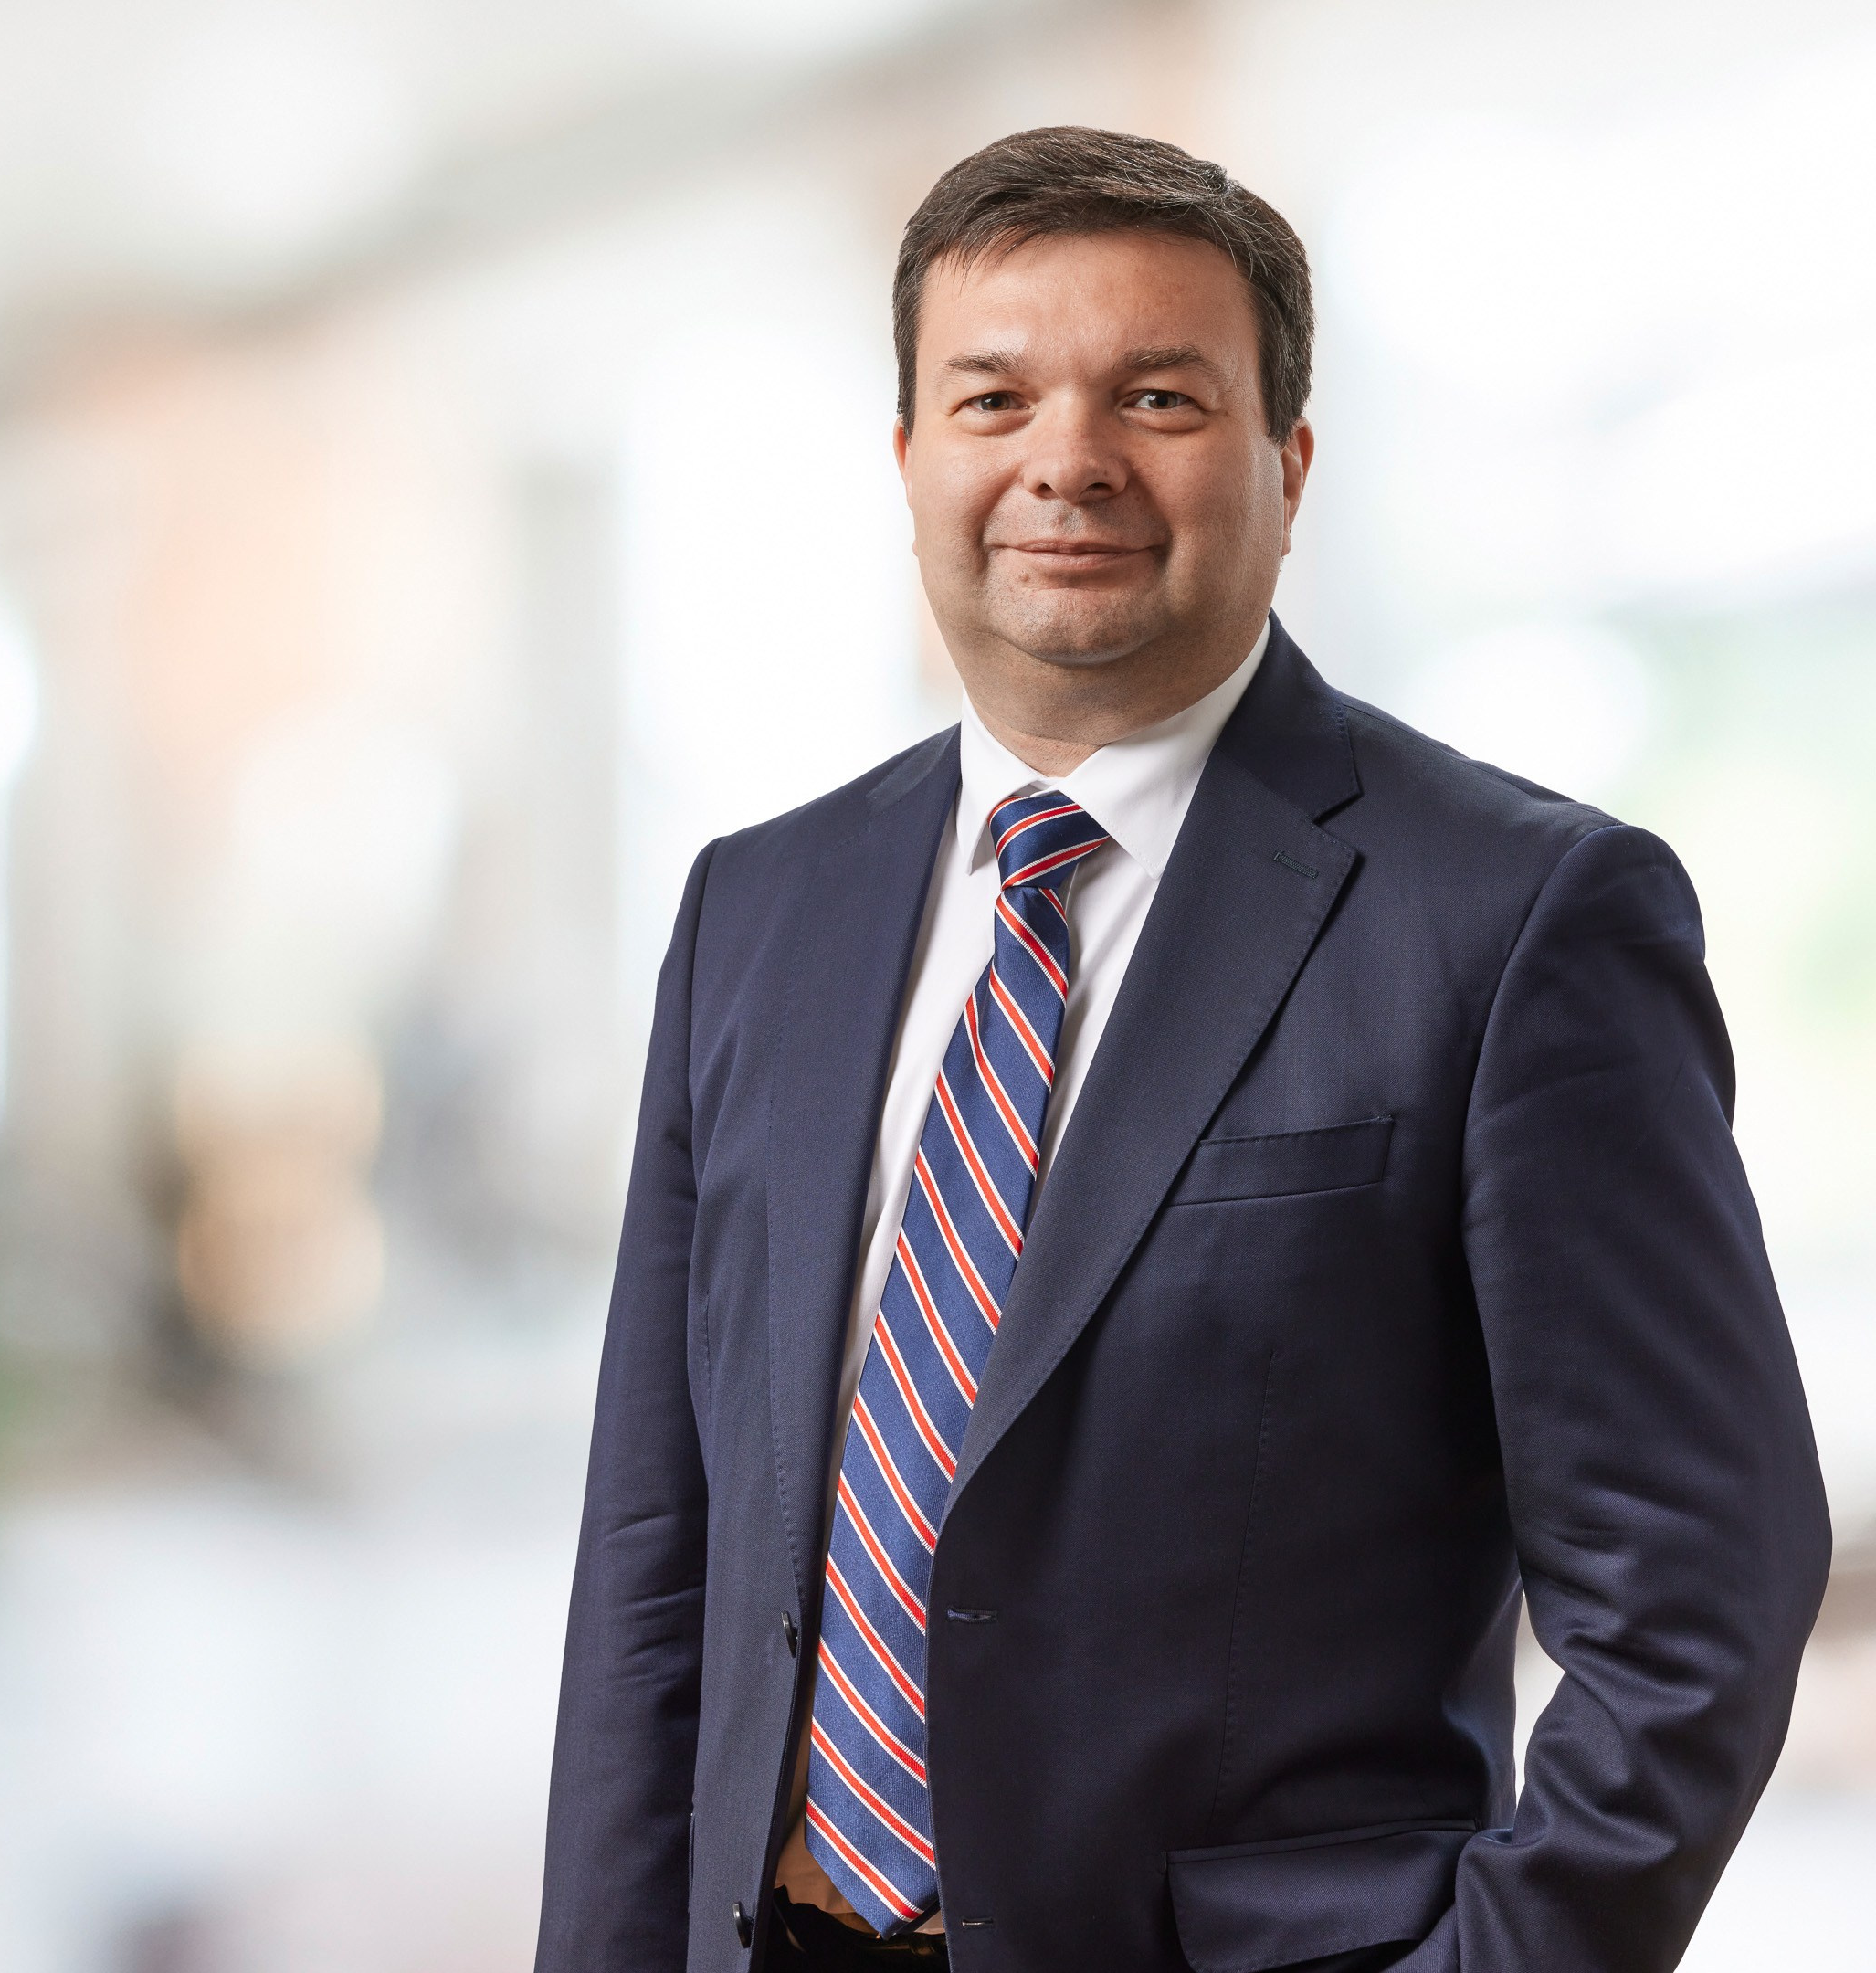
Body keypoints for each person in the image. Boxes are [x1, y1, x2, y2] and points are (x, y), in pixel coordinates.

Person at [532, 127, 1830, 1973]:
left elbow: (1697, 1605)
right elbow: (654, 1567)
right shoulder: (761, 910)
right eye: (994, 398)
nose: (1069, 460)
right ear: (911, 463)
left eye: (1159, 395)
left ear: (1287, 468)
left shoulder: (1521, 919)